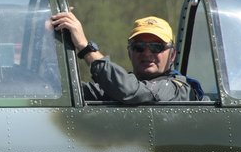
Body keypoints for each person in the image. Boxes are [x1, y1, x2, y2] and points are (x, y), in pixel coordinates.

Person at [51, 11, 200, 103]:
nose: (147, 53)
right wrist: (51, 34)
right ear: (130, 52)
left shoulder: (178, 90)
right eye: (139, 47)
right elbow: (69, 91)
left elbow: (129, 91)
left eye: (156, 47)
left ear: (172, 55)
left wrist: (85, 48)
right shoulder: (118, 86)